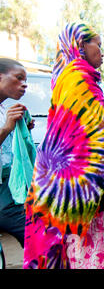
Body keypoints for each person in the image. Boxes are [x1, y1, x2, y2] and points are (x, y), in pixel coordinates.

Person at [23, 23, 104, 269]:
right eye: (98, 45)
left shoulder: (67, 77)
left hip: (79, 183)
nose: (102, 52)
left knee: (85, 253)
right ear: (80, 45)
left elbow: (82, 128)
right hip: (93, 183)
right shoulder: (79, 78)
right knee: (101, 253)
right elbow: (83, 140)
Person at [0, 58, 30, 249]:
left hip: (7, 184)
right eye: (18, 78)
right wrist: (7, 128)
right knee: (35, 235)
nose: (24, 84)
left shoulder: (4, 109)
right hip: (3, 198)